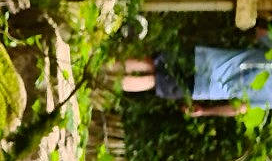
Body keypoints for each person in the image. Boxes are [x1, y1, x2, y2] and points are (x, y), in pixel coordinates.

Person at [112, 30, 272, 118]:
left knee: (151, 63)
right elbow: (239, 108)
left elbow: (260, 32)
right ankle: (105, 81)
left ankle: (104, 67)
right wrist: (205, 112)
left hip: (205, 59)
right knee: (155, 82)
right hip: (205, 88)